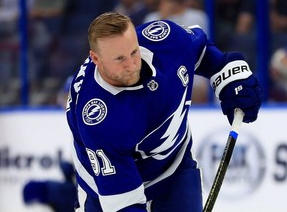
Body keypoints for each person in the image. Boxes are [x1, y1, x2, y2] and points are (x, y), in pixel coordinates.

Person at [66, 12, 263, 212]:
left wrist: (229, 77)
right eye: (119, 59)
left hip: (173, 165)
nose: (132, 64)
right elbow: (125, 206)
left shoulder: (165, 40)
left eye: (134, 52)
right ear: (96, 59)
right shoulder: (97, 118)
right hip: (103, 186)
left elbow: (202, 52)